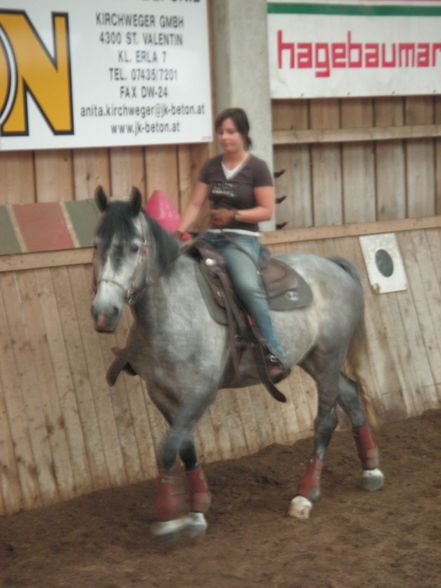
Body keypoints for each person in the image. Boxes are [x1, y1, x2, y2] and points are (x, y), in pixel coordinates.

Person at [176, 107, 290, 381]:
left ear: (243, 134)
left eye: (231, 132)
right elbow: (195, 203)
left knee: (247, 286)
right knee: (173, 270)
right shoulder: (211, 167)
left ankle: (274, 351)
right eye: (221, 132)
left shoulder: (257, 168)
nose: (225, 137)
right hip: (211, 236)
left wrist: (235, 215)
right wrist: (179, 229)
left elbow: (266, 211)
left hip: (242, 239)